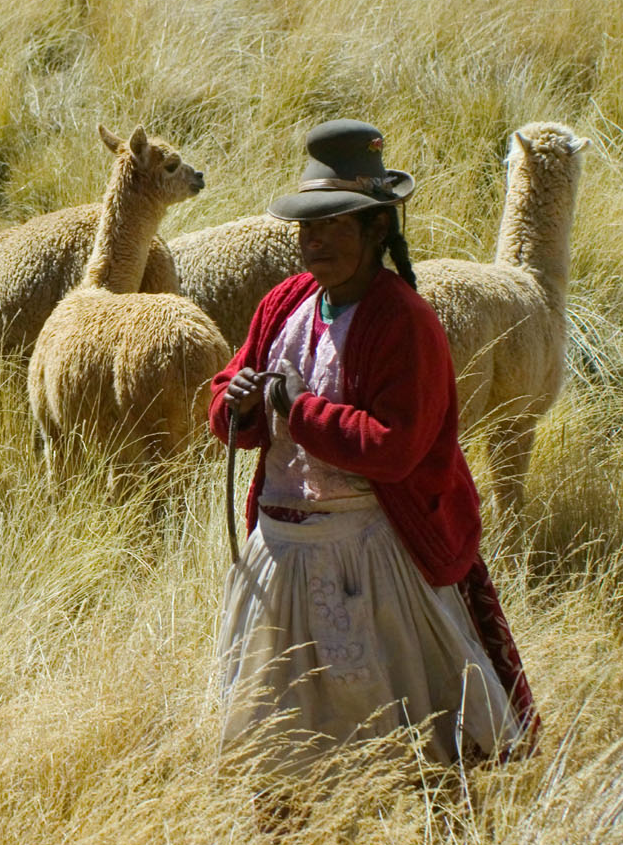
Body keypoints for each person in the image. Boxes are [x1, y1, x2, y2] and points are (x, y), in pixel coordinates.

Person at [210, 119, 538, 777]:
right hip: (283, 556)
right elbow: (228, 404)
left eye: (335, 224)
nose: (316, 239)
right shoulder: (285, 304)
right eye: (309, 224)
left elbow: (395, 448)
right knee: (277, 751)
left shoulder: (404, 323)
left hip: (372, 559)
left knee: (416, 749)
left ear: (377, 230)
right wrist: (238, 403)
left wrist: (295, 410)